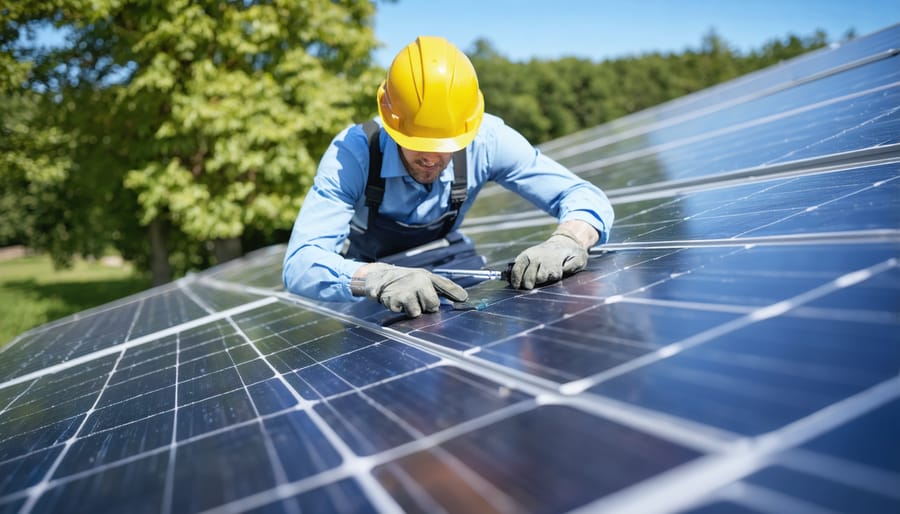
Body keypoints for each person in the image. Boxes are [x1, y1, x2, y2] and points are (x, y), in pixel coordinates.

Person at [283, 36, 614, 317]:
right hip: (376, 278)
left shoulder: (487, 140)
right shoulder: (353, 154)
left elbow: (582, 195)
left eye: (444, 147)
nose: (430, 158)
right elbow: (300, 264)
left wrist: (568, 239)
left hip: (450, 257)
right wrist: (376, 279)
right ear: (390, 122)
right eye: (415, 144)